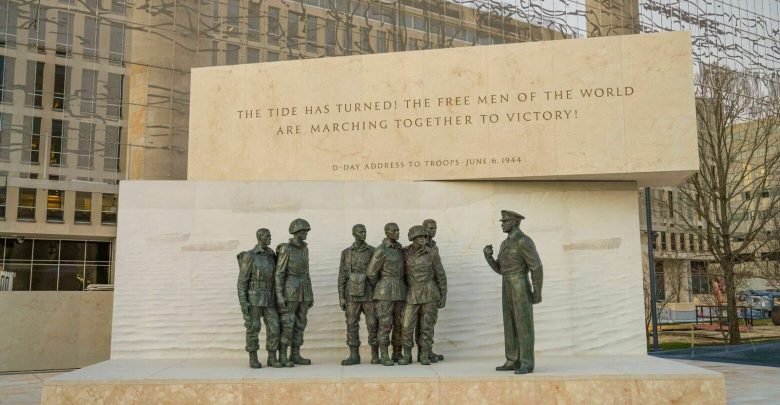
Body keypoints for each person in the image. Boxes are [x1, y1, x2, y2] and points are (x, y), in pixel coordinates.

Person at [484, 210, 543, 374]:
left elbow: (536, 266)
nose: (502, 224)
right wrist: (488, 257)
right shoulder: (505, 243)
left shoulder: (523, 240)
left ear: (515, 222)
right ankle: (512, 360)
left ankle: (526, 362)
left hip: (520, 284)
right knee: (509, 322)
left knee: (523, 324)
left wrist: (537, 291)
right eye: (502, 221)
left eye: (505, 221)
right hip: (507, 283)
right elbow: (501, 270)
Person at [398, 225, 447, 365]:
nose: (423, 239)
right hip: (412, 292)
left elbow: (440, 275)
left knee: (427, 326)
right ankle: (407, 354)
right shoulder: (404, 252)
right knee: (406, 325)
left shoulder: (432, 253)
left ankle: (424, 354)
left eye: (424, 236)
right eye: (419, 236)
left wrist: (443, 295)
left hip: (430, 292)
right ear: (412, 238)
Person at [237, 228, 282, 368]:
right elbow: (242, 282)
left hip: (269, 297)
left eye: (270, 236)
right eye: (267, 236)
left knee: (275, 327)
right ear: (260, 237)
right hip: (254, 298)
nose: (270, 238)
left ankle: (272, 357)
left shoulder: (271, 255)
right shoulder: (250, 255)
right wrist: (243, 302)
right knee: (253, 328)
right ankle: (253, 357)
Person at [275, 218, 314, 367]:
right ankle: (283, 355)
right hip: (290, 288)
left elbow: (307, 272)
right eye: (304, 231)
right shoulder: (286, 248)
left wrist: (310, 293)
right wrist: (279, 295)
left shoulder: (305, 248)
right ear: (296, 231)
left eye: (306, 231)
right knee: (288, 322)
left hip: (304, 289)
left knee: (301, 322)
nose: (306, 233)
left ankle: (295, 354)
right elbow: (279, 273)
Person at [366, 222, 406, 366]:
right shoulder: (381, 250)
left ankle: (397, 352)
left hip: (400, 290)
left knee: (399, 323)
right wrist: (381, 285)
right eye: (394, 230)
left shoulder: (400, 249)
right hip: (385, 290)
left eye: (398, 230)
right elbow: (371, 273)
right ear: (387, 232)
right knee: (385, 324)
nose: (397, 232)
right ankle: (384, 354)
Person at [338, 224, 378, 365]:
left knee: (373, 323)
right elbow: (342, 276)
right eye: (360, 232)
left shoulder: (373, 251)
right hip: (351, 294)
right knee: (351, 324)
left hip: (369, 293)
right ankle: (354, 355)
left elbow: (377, 274)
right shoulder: (346, 253)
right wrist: (341, 297)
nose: (363, 234)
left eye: (365, 231)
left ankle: (375, 354)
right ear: (354, 234)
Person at [414, 218, 445, 363]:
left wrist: (442, 294)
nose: (433, 230)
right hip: (416, 290)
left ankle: (427, 350)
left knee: (429, 322)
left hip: (430, 289)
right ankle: (422, 352)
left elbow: (439, 272)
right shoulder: (416, 246)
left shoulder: (434, 247)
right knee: (419, 323)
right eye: (430, 228)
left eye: (435, 228)